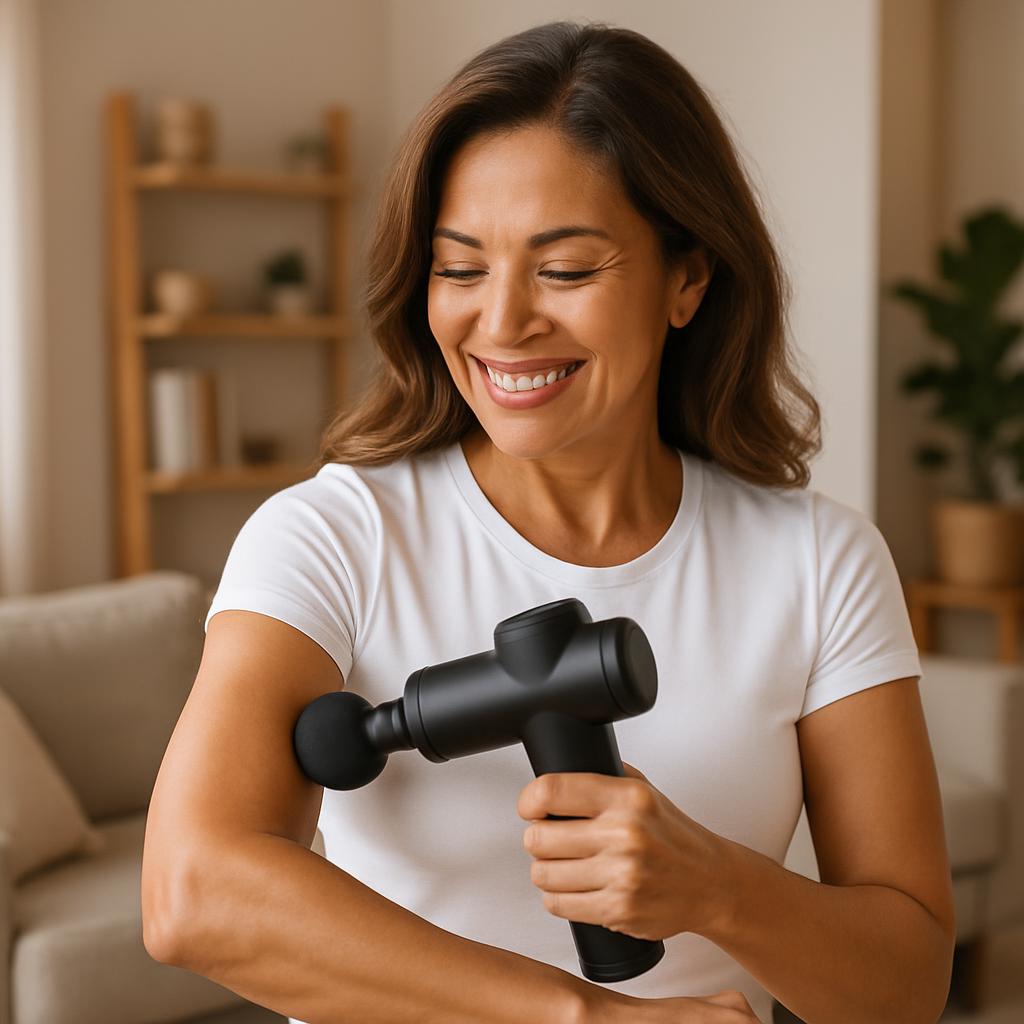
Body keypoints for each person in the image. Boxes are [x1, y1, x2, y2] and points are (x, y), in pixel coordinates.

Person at [140, 19, 956, 1024]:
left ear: (687, 279)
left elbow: (909, 985)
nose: (503, 320)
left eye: (565, 270)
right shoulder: (331, 537)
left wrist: (720, 888)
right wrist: (582, 1018)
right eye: (460, 267)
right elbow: (191, 894)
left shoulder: (818, 560)